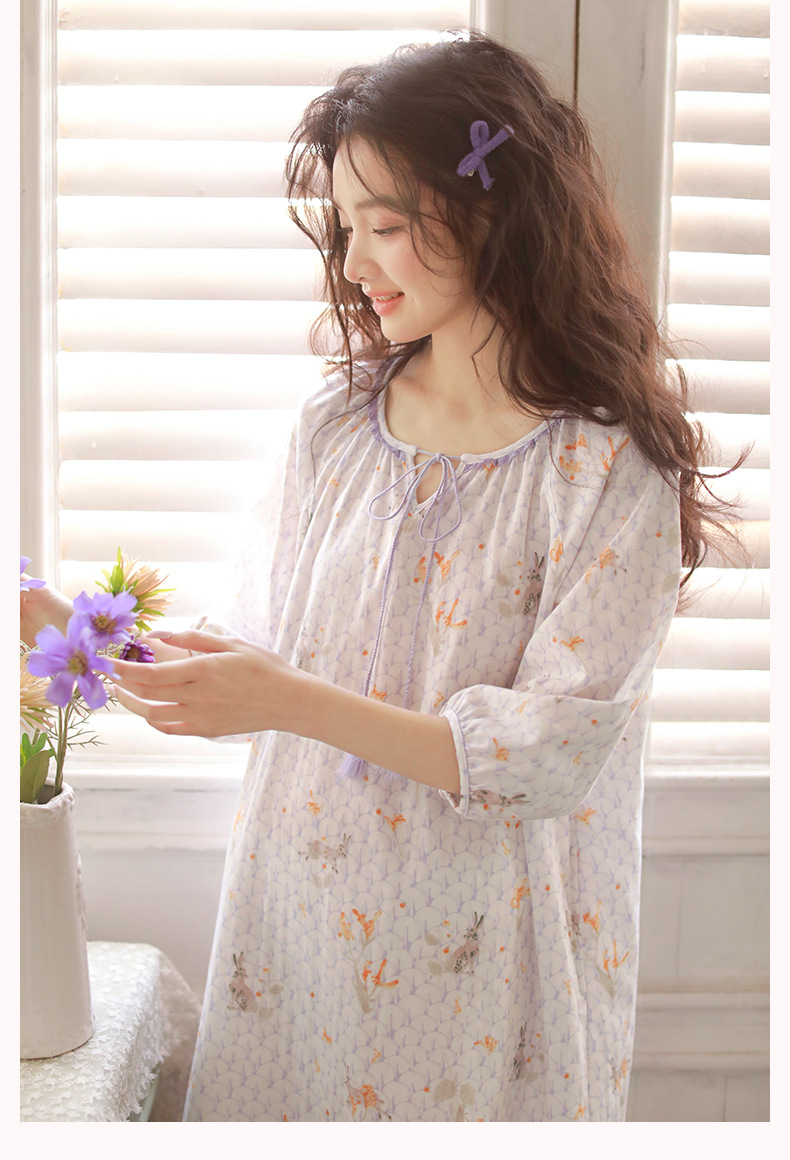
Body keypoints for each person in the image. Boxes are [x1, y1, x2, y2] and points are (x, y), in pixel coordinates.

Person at [22, 32, 736, 1122]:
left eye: (385, 226)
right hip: (296, 950)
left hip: (488, 978)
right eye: (346, 228)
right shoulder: (336, 428)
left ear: (494, 209)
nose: (355, 264)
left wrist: (283, 698)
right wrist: (79, 635)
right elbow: (249, 662)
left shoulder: (605, 470)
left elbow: (543, 754)